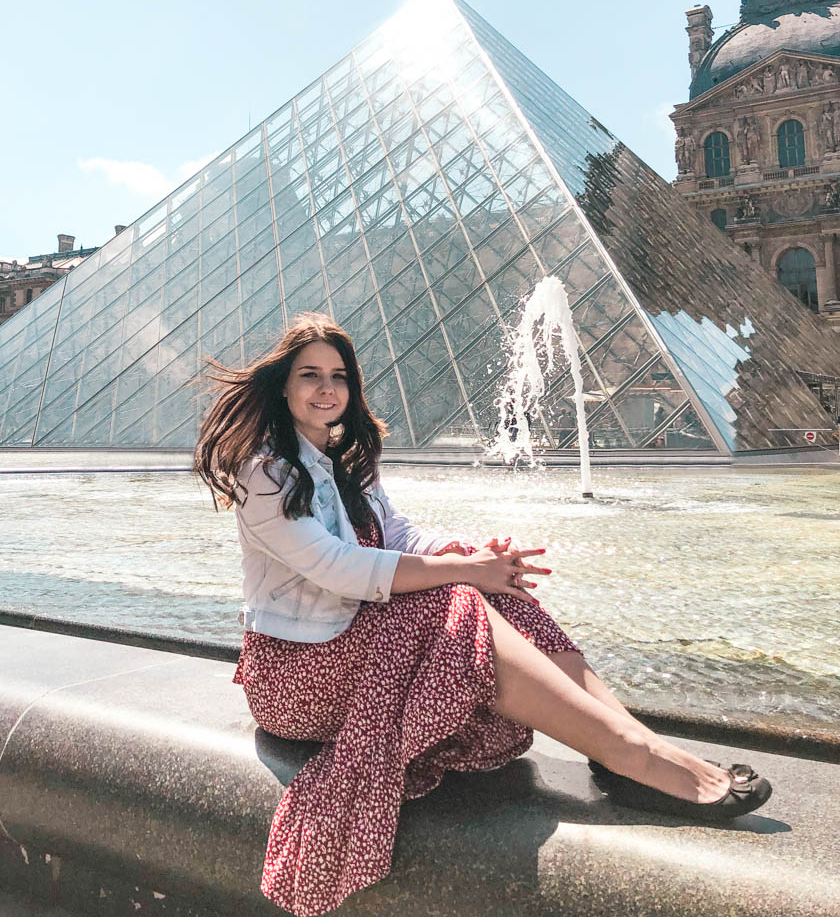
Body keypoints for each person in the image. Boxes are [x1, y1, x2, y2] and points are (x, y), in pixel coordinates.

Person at [195, 313, 771, 917]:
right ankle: (634, 754)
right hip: (296, 676)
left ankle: (626, 747)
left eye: (339, 376)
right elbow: (341, 569)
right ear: (282, 385)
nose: (327, 389)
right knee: (460, 599)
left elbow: (400, 535)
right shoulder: (266, 473)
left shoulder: (343, 459)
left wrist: (472, 554)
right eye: (309, 374)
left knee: (502, 592)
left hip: (351, 648)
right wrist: (464, 573)